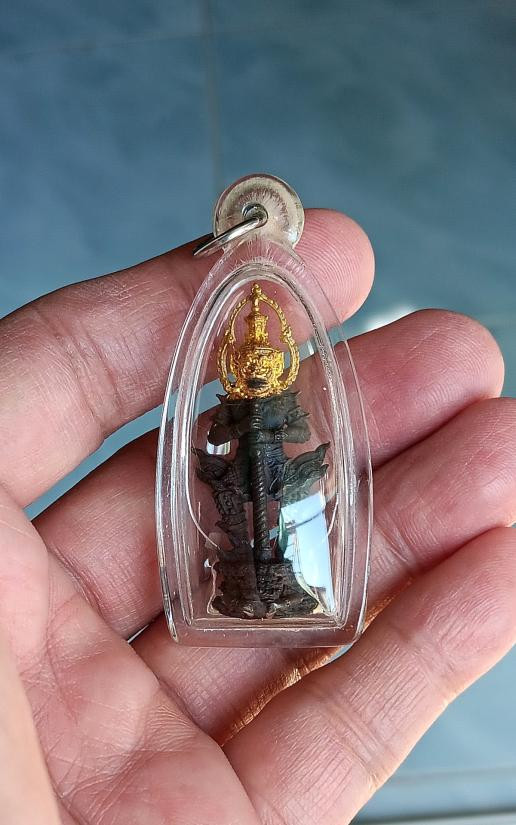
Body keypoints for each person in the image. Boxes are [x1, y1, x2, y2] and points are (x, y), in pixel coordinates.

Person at [0, 209, 514, 824]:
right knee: (241, 518)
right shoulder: (231, 405)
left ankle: (274, 577)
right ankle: (247, 581)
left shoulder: (286, 404)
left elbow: (295, 439)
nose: (261, 363)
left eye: (268, 362)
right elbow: (219, 444)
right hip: (243, 469)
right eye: (252, 363)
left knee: (276, 516)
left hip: (274, 470)